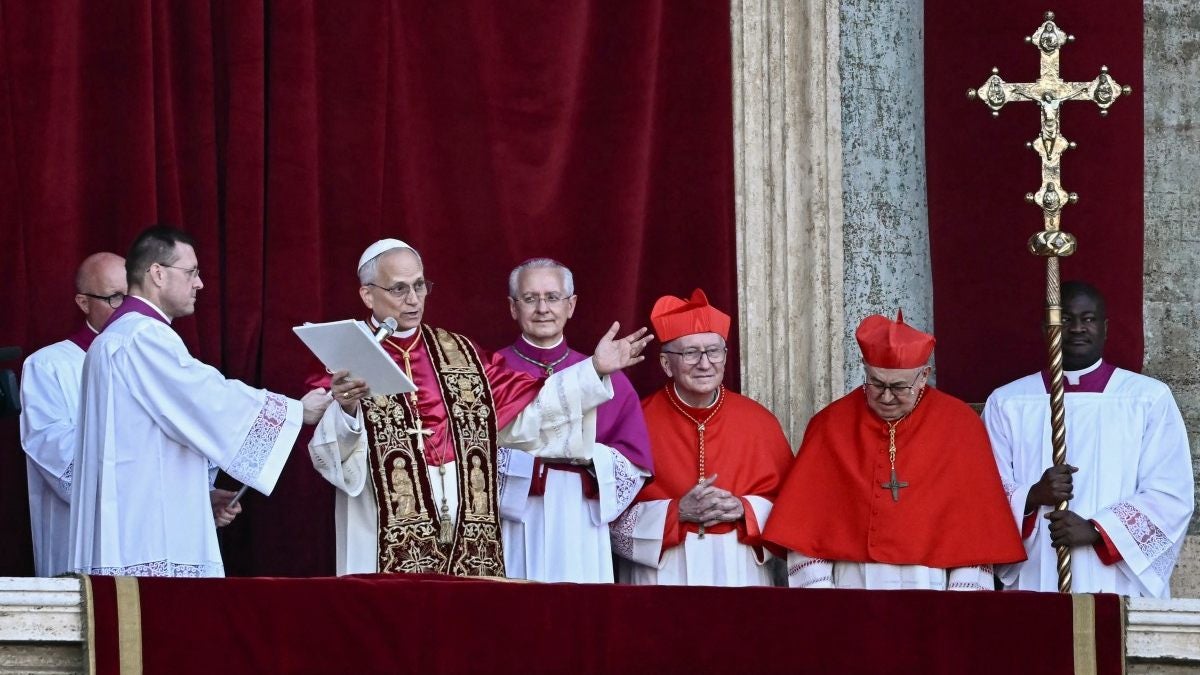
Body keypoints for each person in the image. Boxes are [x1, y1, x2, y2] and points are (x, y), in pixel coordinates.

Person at [307, 240, 653, 577]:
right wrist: (347, 408)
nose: (413, 299)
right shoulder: (344, 355)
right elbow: (333, 458)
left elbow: (526, 416)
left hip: (464, 533)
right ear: (368, 294)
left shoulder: (462, 354)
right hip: (381, 527)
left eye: (419, 286)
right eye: (399, 289)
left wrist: (593, 370)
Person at [69, 226, 331, 577]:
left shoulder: (115, 337)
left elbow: (157, 437)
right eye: (191, 272)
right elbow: (207, 400)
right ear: (158, 274)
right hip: (148, 534)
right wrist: (296, 411)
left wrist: (201, 495)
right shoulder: (143, 336)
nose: (199, 283)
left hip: (134, 516)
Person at [765, 312, 1025, 590]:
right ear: (864, 369)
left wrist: (958, 607)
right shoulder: (830, 425)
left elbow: (974, 537)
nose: (886, 397)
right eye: (876, 384)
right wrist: (826, 603)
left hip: (932, 586)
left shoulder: (960, 425)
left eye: (899, 387)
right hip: (851, 586)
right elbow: (807, 531)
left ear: (924, 376)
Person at [984, 281, 1195, 597]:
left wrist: (1099, 531)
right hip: (1038, 568)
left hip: (1115, 579)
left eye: (1088, 318)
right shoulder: (1008, 402)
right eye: (1065, 319)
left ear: (1105, 328)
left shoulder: (1148, 399)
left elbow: (1171, 494)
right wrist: (1032, 496)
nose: (1077, 329)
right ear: (1046, 327)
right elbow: (983, 490)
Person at [612, 289, 792, 586]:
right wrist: (676, 512)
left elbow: (793, 513)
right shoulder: (635, 422)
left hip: (739, 570)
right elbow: (607, 520)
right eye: (690, 353)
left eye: (714, 351)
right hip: (662, 574)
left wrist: (744, 509)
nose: (705, 363)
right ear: (666, 364)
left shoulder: (760, 423)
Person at [495, 258, 653, 583]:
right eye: (530, 298)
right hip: (513, 516)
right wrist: (526, 467)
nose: (542, 308)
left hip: (580, 516)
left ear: (571, 305)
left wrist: (589, 460)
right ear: (513, 307)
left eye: (552, 297)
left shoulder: (610, 377)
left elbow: (634, 460)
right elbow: (471, 452)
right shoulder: (490, 372)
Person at [19, 253, 126, 576]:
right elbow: (58, 456)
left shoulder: (156, 361)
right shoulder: (49, 366)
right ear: (83, 303)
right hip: (83, 540)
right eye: (114, 298)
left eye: (131, 296)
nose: (127, 309)